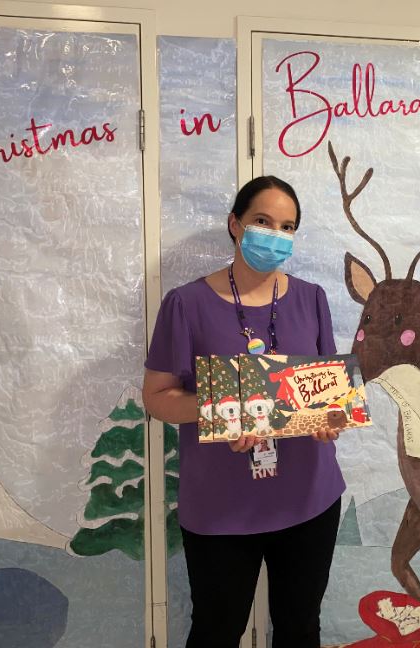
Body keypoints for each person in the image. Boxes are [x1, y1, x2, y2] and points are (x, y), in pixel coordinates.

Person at [142, 176, 344, 648]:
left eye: (287, 226)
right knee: (216, 630)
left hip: (309, 499)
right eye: (262, 221)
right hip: (221, 507)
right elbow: (157, 397)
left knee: (300, 628)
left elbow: (329, 394)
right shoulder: (185, 305)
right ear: (235, 225)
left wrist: (329, 420)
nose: (275, 235)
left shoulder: (311, 298)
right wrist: (224, 410)